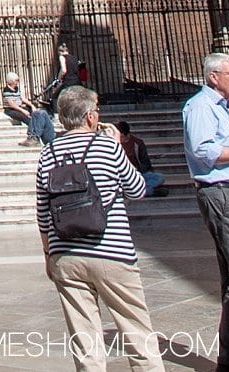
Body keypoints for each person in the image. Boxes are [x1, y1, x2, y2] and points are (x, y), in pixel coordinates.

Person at [36, 86, 164, 372]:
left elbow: (43, 213)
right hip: (111, 253)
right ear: (91, 117)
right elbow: (138, 189)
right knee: (137, 331)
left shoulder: (48, 153)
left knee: (85, 343)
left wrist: (48, 255)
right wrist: (118, 147)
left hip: (66, 255)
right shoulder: (107, 147)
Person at [183, 50, 229, 372]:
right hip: (220, 193)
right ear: (213, 77)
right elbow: (204, 150)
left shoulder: (223, 108)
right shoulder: (201, 107)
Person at [3, 72, 55, 147]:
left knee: (37, 113)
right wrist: (23, 111)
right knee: (27, 118)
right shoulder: (6, 90)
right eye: (16, 80)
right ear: (11, 81)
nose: (17, 82)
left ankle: (36, 135)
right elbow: (11, 104)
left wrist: (32, 106)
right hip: (11, 109)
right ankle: (32, 136)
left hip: (19, 107)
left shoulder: (16, 89)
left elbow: (22, 98)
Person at [116, 120, 166, 197]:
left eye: (121, 136)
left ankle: (139, 190)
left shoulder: (138, 143)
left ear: (128, 135)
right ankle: (149, 191)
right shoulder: (114, 145)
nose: (119, 138)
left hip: (139, 174)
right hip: (123, 176)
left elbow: (145, 163)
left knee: (159, 177)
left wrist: (137, 173)